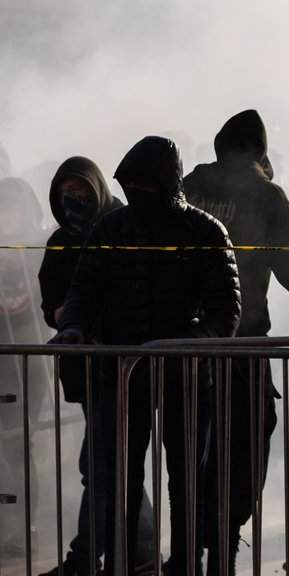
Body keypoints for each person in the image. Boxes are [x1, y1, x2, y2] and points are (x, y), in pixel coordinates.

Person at [50, 136, 241, 576]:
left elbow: (226, 310)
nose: (138, 193)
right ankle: (121, 565)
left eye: (146, 185)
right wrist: (73, 326)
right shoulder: (110, 229)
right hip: (121, 377)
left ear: (167, 184)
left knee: (188, 482)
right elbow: (82, 290)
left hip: (187, 377)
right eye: (130, 185)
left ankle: (187, 564)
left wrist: (190, 343)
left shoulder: (206, 231)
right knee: (122, 483)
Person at [183, 109, 289, 576]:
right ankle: (221, 550)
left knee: (191, 449)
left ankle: (187, 553)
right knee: (248, 444)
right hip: (242, 346)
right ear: (260, 152)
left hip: (180, 347)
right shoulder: (265, 194)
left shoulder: (189, 185)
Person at [37, 157, 164, 576]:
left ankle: (85, 558)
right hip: (86, 369)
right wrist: (64, 317)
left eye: (80, 192)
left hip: (123, 365)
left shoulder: (121, 230)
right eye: (65, 194)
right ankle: (142, 550)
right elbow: (51, 299)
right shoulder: (59, 244)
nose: (72, 201)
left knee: (101, 465)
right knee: (113, 463)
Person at [0, 177, 50, 557]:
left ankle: (24, 528)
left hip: (29, 362)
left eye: (11, 208)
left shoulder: (41, 248)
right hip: (3, 359)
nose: (5, 216)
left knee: (18, 441)